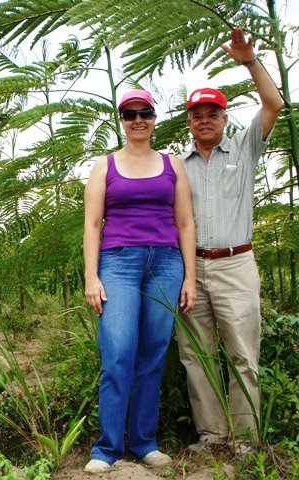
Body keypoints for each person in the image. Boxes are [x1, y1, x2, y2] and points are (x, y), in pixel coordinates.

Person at [176, 27, 284, 453]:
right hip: (191, 271)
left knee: (242, 353)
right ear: (189, 122)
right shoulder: (176, 167)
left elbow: (275, 104)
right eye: (198, 114)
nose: (205, 119)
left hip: (237, 264)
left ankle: (245, 440)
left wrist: (249, 61)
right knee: (196, 355)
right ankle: (212, 435)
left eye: (213, 113)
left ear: (225, 119)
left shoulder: (244, 149)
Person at [83, 89, 196, 473]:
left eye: (144, 113)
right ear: (122, 120)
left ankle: (145, 443)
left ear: (154, 117)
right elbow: (91, 223)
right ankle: (107, 448)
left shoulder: (172, 164)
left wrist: (190, 278)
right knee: (118, 353)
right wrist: (91, 276)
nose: (138, 120)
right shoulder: (104, 166)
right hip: (118, 264)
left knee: (152, 355)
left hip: (166, 263)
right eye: (129, 114)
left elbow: (185, 223)